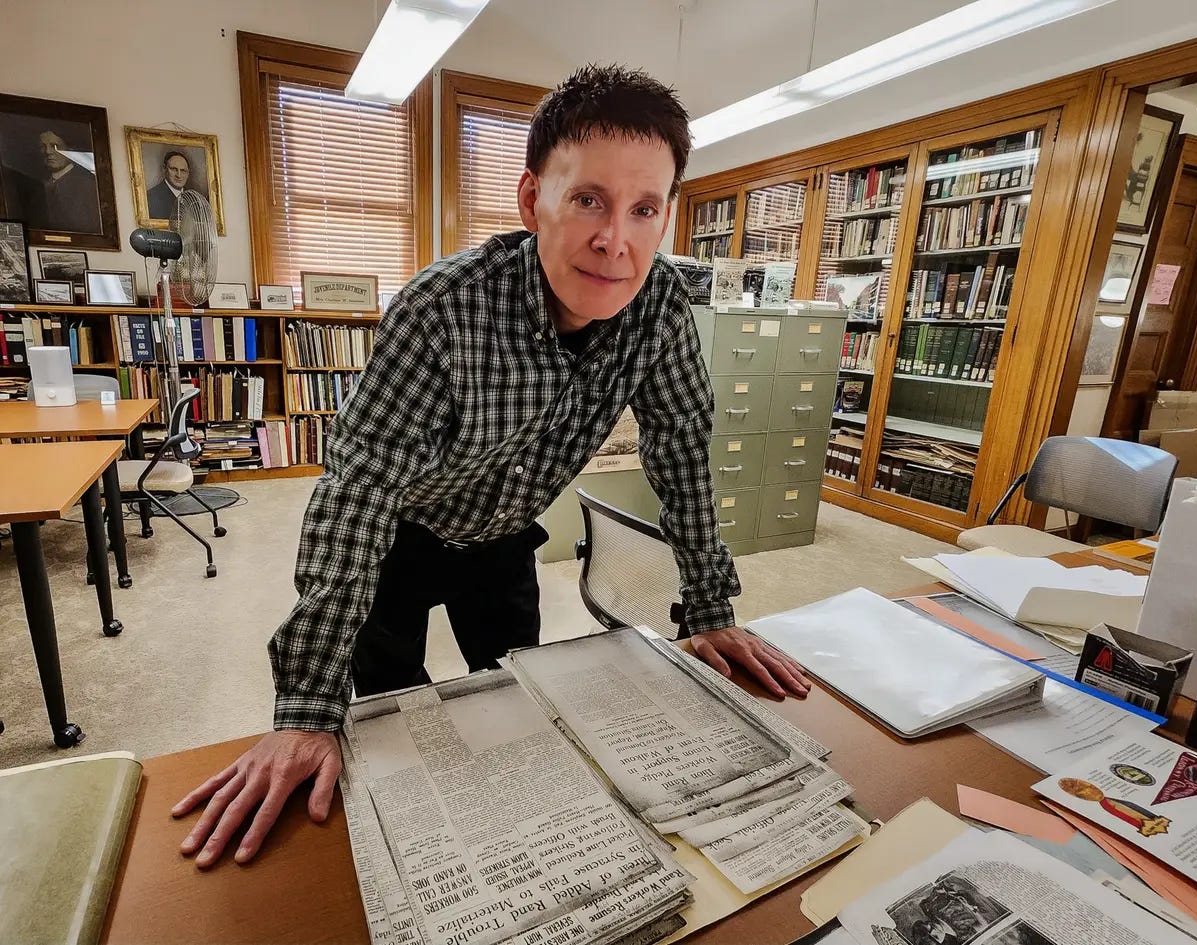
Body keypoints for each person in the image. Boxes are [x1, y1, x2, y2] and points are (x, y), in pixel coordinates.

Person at [171, 64, 812, 869]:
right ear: (530, 200)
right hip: (400, 535)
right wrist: (305, 706)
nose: (616, 239)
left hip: (507, 538)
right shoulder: (442, 309)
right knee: (387, 720)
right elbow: (356, 493)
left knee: (514, 707)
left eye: (644, 209)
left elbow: (682, 451)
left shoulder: (658, 312)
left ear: (665, 216)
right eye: (588, 200)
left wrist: (710, 606)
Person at [26, 130, 101, 233]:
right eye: (43, 146)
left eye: (55, 146)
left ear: (69, 149)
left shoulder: (89, 184)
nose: (48, 151)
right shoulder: (36, 187)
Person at [146, 150, 191, 221]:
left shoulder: (194, 199)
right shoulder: (150, 198)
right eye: (174, 169)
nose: (179, 175)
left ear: (188, 173)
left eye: (183, 171)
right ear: (164, 169)